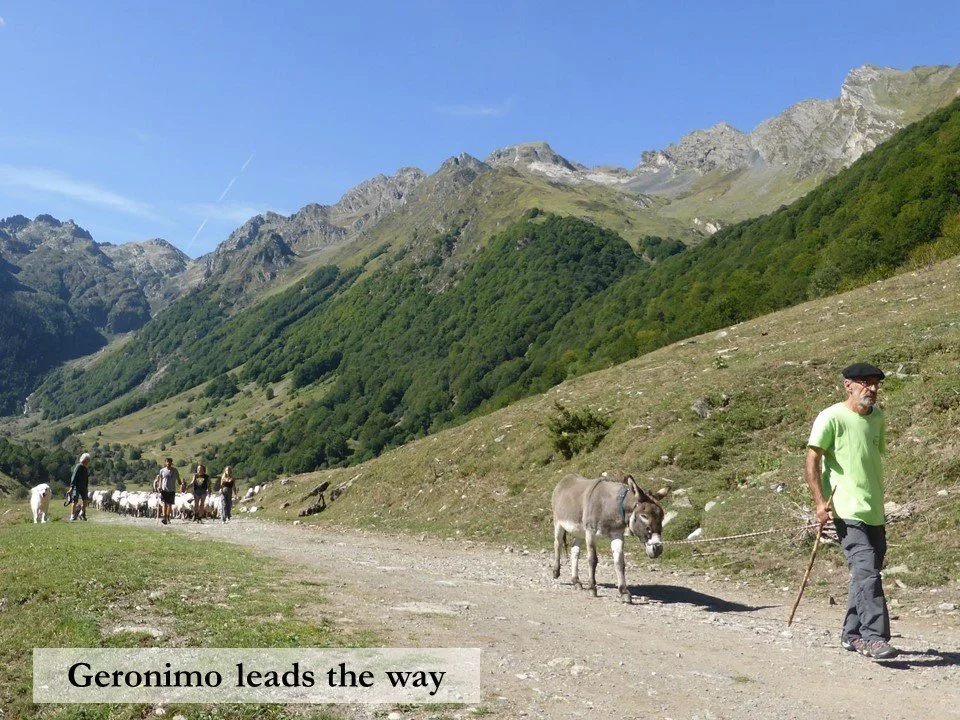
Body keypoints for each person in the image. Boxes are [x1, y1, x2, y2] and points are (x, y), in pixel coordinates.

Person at [805, 362, 898, 660]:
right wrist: (820, 503)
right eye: (865, 383)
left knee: (866, 574)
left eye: (875, 384)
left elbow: (868, 461)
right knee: (867, 572)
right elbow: (812, 459)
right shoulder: (831, 417)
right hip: (846, 510)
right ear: (848, 385)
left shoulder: (877, 418)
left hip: (874, 510)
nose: (872, 389)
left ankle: (851, 634)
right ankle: (874, 638)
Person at [68, 453, 92, 521]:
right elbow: (74, 477)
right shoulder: (78, 466)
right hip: (76, 486)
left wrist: (86, 487)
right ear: (84, 460)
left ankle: (81, 513)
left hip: (84, 487)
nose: (88, 462)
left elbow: (86, 479)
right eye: (88, 460)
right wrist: (71, 487)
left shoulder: (85, 468)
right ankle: (72, 515)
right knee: (74, 501)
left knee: (86, 501)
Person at [157, 457, 180, 525]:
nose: (168, 463)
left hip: (172, 489)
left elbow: (178, 478)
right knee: (164, 503)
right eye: (167, 462)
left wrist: (181, 485)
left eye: (169, 462)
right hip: (164, 489)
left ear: (171, 463)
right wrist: (159, 486)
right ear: (165, 463)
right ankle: (164, 517)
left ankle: (167, 517)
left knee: (169, 505)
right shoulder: (162, 471)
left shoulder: (175, 470)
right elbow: (161, 479)